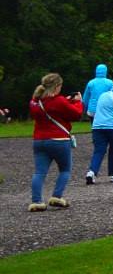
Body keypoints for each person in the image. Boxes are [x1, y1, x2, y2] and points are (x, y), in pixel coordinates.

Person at [26, 73, 83, 211]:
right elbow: (76, 114)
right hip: (59, 140)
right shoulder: (59, 100)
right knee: (65, 170)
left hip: (39, 140)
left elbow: (51, 109)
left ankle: (37, 201)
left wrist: (67, 101)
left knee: (39, 172)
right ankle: (56, 196)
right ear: (57, 86)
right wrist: (77, 102)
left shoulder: (34, 102)